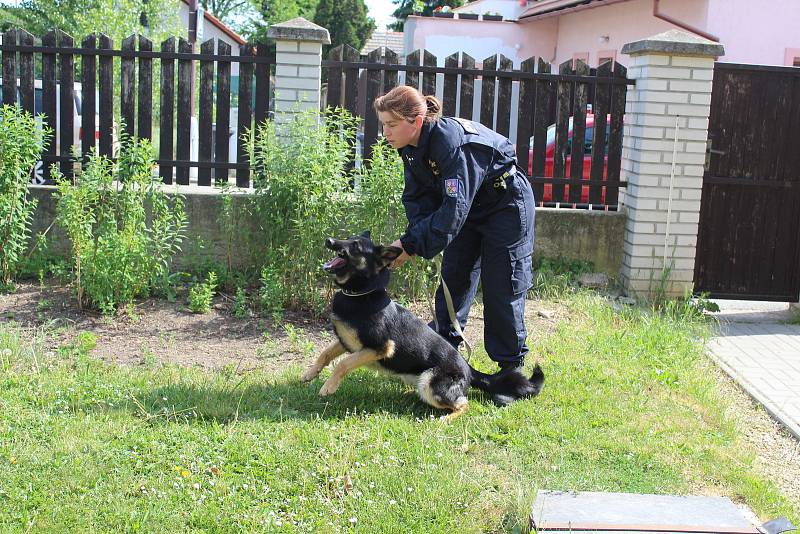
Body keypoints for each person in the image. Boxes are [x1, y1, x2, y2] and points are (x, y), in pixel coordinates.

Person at [373, 85, 535, 371]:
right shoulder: (408, 147)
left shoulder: (450, 143)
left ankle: (511, 370)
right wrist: (412, 240)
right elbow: (417, 199)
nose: (385, 131)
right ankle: (441, 356)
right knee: (454, 277)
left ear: (417, 122)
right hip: (468, 209)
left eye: (392, 124)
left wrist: (410, 246)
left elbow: (452, 210)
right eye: (384, 124)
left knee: (502, 283)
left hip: (505, 204)